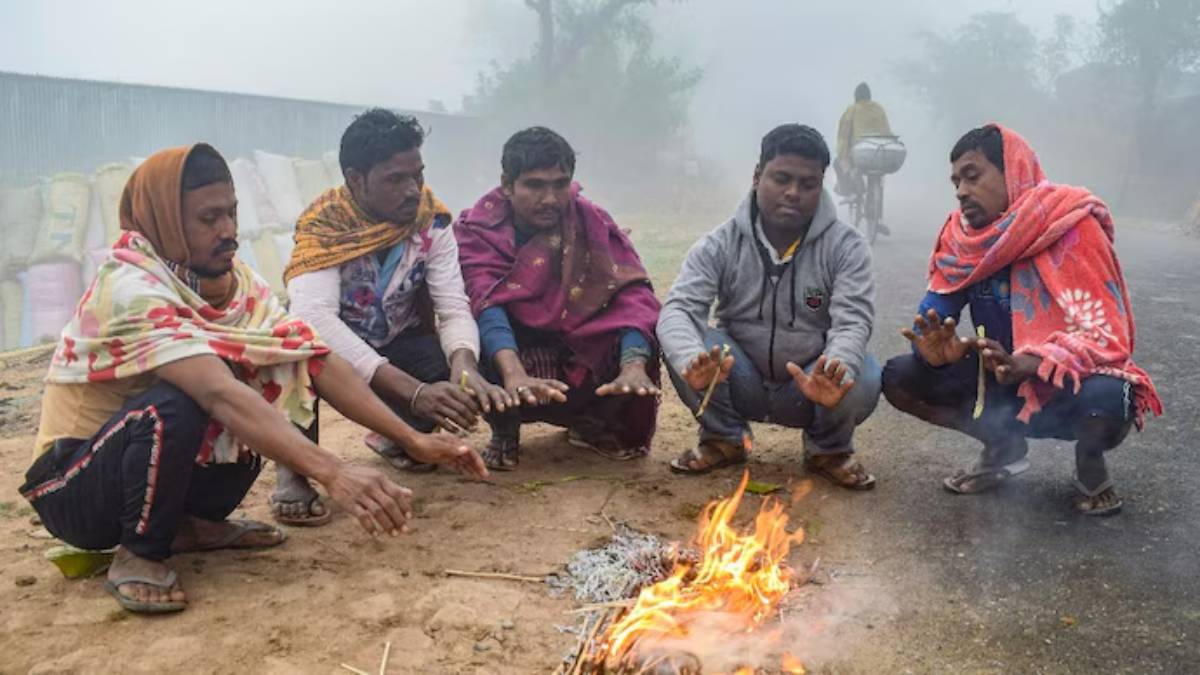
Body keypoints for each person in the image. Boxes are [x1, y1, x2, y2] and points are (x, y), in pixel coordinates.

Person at [19, 144, 486, 614]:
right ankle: (138, 554)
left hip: (140, 474)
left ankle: (192, 525)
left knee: (272, 367)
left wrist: (411, 439)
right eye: (208, 219)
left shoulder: (237, 283)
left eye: (231, 213)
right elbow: (216, 393)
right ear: (163, 221)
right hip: (73, 489)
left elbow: (313, 358)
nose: (228, 232)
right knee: (180, 403)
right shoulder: (130, 287)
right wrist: (335, 472)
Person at [883, 124, 1163, 516]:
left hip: (1068, 385)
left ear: (1011, 170)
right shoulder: (962, 238)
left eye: (972, 175)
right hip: (998, 381)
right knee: (899, 375)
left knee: (1113, 398)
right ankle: (1003, 448)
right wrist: (933, 353)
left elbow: (1108, 335)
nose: (962, 191)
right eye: (955, 181)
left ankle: (1090, 461)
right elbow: (932, 319)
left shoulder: (1071, 225)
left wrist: (1032, 362)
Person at [276, 109, 508, 525]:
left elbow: (453, 305)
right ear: (355, 178)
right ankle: (295, 468)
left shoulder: (431, 220)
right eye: (395, 179)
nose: (412, 190)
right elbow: (315, 319)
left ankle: (395, 437)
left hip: (399, 340)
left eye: (417, 175)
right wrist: (415, 391)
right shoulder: (323, 226)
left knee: (463, 364)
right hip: (332, 351)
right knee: (294, 351)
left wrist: (463, 367)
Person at [657, 124, 880, 488]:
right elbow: (679, 310)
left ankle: (829, 449)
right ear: (758, 176)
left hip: (809, 385)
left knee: (863, 371)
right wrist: (689, 359)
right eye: (782, 178)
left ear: (821, 185)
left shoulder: (847, 246)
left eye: (808, 184)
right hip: (739, 377)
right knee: (688, 341)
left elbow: (853, 321)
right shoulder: (719, 243)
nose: (793, 193)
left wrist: (838, 365)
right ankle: (724, 439)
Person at [454, 127, 661, 471]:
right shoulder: (478, 231)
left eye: (560, 184)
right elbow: (486, 302)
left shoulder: (589, 220)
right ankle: (505, 428)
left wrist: (633, 365)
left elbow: (632, 293)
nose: (550, 199)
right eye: (535, 185)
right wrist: (515, 375)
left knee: (646, 326)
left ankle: (593, 424)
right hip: (512, 356)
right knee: (468, 337)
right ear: (507, 184)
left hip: (576, 352)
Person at [834, 82, 893, 235]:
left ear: (856, 97)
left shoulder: (852, 110)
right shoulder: (879, 109)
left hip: (860, 153)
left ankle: (851, 190)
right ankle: (877, 218)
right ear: (869, 96)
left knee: (837, 163)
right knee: (878, 182)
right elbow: (887, 131)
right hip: (879, 152)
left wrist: (843, 154)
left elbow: (843, 135)